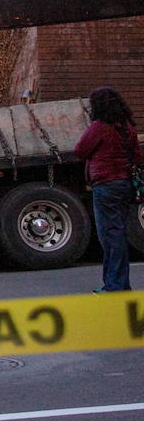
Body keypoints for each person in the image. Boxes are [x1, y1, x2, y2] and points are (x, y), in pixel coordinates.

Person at [74, 87, 140, 293]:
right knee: (118, 233)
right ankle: (121, 283)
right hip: (125, 183)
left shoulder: (99, 127)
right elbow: (138, 156)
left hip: (105, 184)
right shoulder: (126, 127)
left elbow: (80, 150)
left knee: (110, 236)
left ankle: (114, 286)